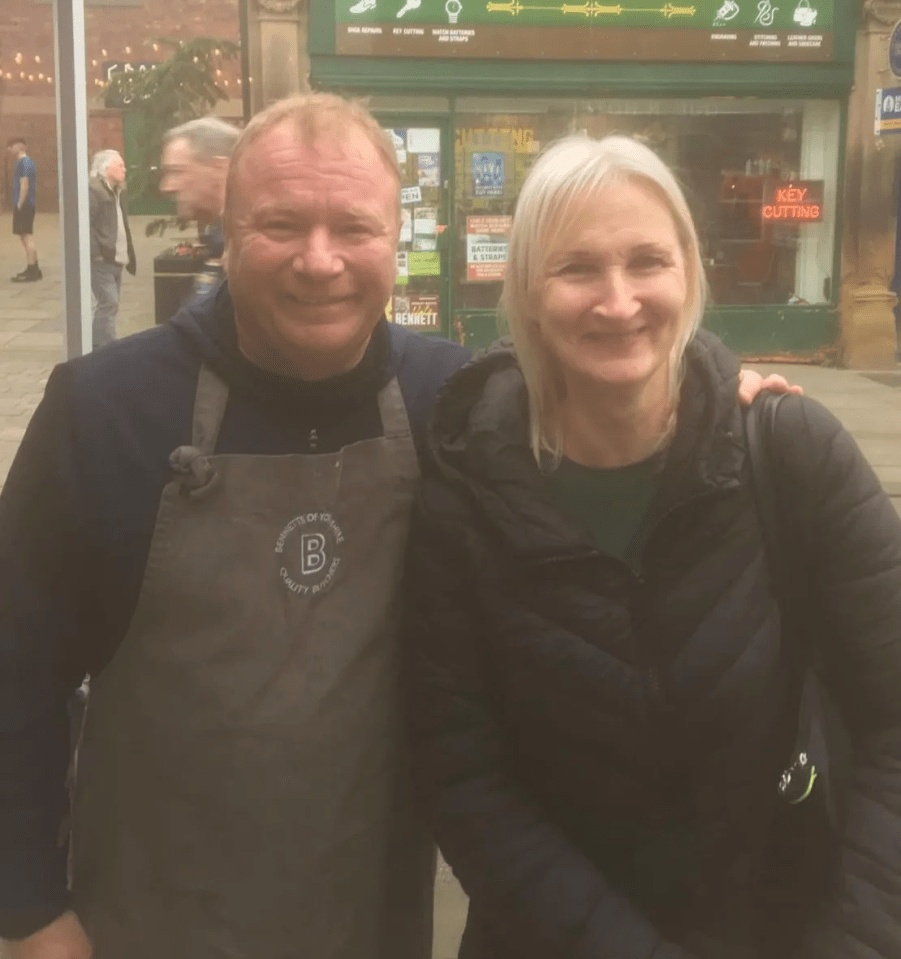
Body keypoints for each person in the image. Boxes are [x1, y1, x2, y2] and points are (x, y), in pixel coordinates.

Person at [0, 96, 790, 959]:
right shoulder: (104, 412)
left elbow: (606, 389)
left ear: (397, 239)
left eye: (355, 227)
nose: (319, 259)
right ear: (225, 233)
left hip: (373, 921)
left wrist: (716, 393)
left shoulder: (455, 402)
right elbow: (13, 670)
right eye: (280, 224)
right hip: (143, 927)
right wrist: (31, 910)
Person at [405, 134, 901, 959]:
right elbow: (463, 782)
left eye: (646, 261)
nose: (618, 300)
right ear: (526, 292)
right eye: (576, 269)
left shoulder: (788, 452)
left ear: (689, 275)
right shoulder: (463, 501)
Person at [159, 116, 239, 297]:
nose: (167, 187)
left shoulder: (246, 257)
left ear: (220, 168)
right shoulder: (223, 243)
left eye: (177, 171)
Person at [88, 150, 136, 349]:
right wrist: (96, 253)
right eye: (120, 166)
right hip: (103, 259)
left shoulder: (118, 191)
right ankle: (103, 346)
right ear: (105, 169)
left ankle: (102, 341)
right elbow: (86, 225)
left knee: (110, 305)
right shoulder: (94, 191)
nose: (124, 170)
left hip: (117, 258)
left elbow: (122, 223)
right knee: (108, 303)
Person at [7, 137, 40, 283]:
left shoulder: (24, 163)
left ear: (19, 146)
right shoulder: (25, 162)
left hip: (24, 205)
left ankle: (32, 270)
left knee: (26, 236)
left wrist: (20, 202)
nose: (9, 149)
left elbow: (24, 183)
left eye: (11, 146)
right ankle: (33, 267)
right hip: (27, 204)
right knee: (25, 236)